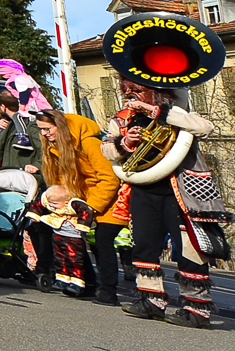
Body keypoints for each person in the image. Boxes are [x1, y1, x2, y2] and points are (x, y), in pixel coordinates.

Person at [103, 79, 218, 328]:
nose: (132, 95)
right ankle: (151, 299)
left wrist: (157, 113)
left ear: (153, 92)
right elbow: (106, 149)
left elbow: (206, 129)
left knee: (189, 248)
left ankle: (196, 307)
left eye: (138, 90)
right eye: (128, 91)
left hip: (182, 189)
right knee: (143, 244)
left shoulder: (177, 112)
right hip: (144, 187)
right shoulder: (122, 119)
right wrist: (126, 143)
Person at [34, 106, 125, 305]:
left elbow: (109, 179)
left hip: (108, 201)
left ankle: (108, 291)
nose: (44, 134)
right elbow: (60, 181)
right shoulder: (54, 147)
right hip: (80, 202)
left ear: (59, 125)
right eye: (41, 130)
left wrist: (90, 208)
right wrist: (60, 205)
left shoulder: (89, 142)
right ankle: (87, 283)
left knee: (101, 240)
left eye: (48, 129)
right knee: (67, 234)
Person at [0, 76, 55, 287]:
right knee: (15, 225)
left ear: (3, 106)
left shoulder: (30, 125)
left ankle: (45, 269)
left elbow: (43, 153)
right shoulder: (10, 126)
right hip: (12, 183)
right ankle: (17, 263)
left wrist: (38, 173)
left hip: (32, 184)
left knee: (38, 228)